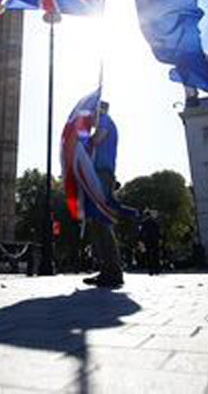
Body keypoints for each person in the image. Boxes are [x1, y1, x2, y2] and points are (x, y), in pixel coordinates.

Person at [82, 101, 124, 289]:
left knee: (102, 222)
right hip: (97, 173)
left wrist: (84, 143)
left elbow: (97, 139)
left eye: (93, 112)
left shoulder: (105, 121)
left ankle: (113, 272)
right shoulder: (103, 121)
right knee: (96, 223)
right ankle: (106, 269)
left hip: (102, 173)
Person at [139, 210, 162, 275]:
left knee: (148, 255)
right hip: (155, 240)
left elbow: (141, 232)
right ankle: (157, 270)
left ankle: (151, 270)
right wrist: (160, 238)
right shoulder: (155, 222)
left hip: (147, 240)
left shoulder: (144, 223)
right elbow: (158, 231)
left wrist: (140, 240)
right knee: (156, 255)